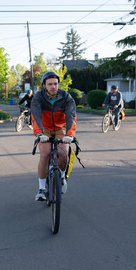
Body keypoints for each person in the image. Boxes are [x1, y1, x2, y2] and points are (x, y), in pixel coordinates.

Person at [31, 71, 77, 201]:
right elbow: (36, 115)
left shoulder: (66, 97)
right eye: (50, 84)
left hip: (61, 127)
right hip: (44, 128)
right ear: (44, 85)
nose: (53, 87)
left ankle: (62, 177)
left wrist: (69, 134)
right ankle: (41, 189)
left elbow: (71, 116)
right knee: (45, 154)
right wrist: (39, 133)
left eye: (55, 84)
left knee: (63, 153)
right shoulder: (38, 97)